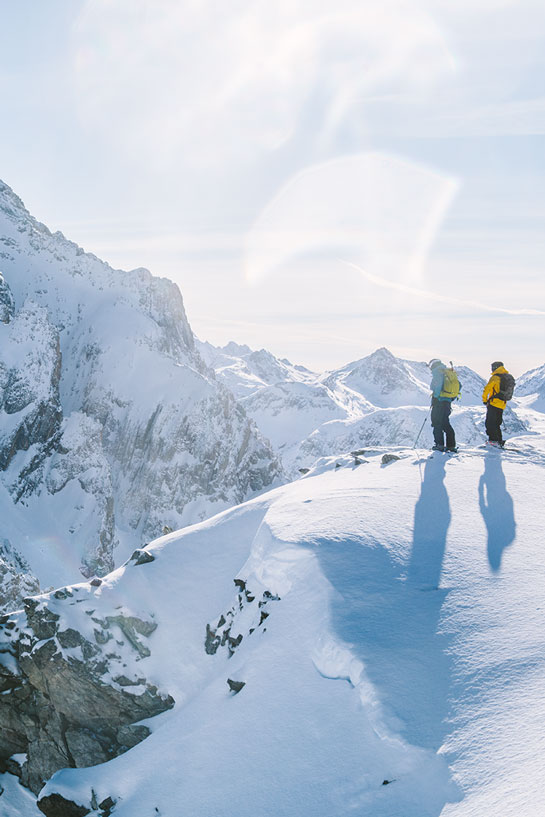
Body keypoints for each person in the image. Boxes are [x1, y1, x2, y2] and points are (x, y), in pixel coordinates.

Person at [428, 359, 458, 452]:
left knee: (436, 423)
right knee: (445, 423)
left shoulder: (437, 372)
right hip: (447, 402)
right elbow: (459, 385)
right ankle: (451, 446)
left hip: (439, 402)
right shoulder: (448, 372)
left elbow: (437, 386)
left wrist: (435, 397)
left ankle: (439, 445)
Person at [482, 361, 510, 447]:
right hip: (502, 403)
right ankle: (499, 441)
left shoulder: (495, 377)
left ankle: (493, 441)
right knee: (497, 423)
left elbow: (487, 389)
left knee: (490, 423)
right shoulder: (506, 377)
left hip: (494, 403)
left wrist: (485, 400)